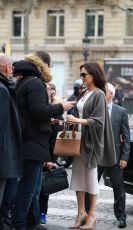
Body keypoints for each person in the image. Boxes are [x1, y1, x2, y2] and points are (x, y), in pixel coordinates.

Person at [12, 52, 73, 230]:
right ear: (43, 65)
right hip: (33, 143)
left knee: (32, 187)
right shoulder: (36, 83)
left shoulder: (25, 82)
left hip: (29, 142)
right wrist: (61, 107)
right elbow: (39, 111)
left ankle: (32, 222)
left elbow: (32, 112)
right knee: (28, 189)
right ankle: (21, 223)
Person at [67, 62, 116, 230]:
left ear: (93, 76)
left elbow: (99, 121)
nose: (81, 78)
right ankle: (81, 213)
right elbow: (78, 111)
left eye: (84, 75)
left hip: (90, 143)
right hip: (77, 141)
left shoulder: (99, 94)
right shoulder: (85, 93)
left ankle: (92, 214)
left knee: (90, 179)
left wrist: (78, 120)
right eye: (81, 75)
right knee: (77, 179)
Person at [85, 83, 130, 228]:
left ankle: (121, 217)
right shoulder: (94, 110)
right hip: (97, 155)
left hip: (115, 156)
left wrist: (124, 157)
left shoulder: (121, 111)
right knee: (90, 185)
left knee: (118, 188)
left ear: (111, 93)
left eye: (103, 91)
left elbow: (126, 137)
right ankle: (87, 215)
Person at [0, 54, 22, 229]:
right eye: (11, 67)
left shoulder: (6, 87)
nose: (12, 70)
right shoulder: (2, 88)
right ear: (6, 68)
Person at [39, 82, 64, 224]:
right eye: (48, 89)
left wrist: (52, 159)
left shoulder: (55, 111)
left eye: (53, 89)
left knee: (45, 187)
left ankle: (42, 212)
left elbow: (56, 140)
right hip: (38, 153)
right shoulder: (39, 109)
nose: (51, 92)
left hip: (48, 155)